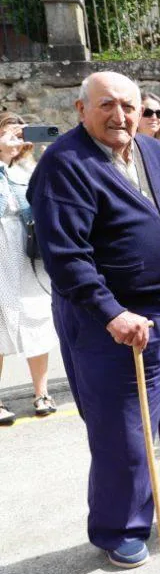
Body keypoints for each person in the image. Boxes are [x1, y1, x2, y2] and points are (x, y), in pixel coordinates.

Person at [27, 72, 160, 570]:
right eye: (106, 106)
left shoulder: (152, 151)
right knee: (123, 432)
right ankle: (119, 527)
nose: (120, 116)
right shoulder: (65, 165)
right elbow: (66, 257)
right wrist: (112, 312)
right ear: (81, 110)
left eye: (128, 105)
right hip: (116, 324)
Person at [0, 113, 56, 422]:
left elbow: (46, 198)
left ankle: (41, 393)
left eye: (19, 134)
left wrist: (49, 156)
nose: (15, 139)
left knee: (37, 317)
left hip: (25, 251)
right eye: (8, 133)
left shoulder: (30, 169)